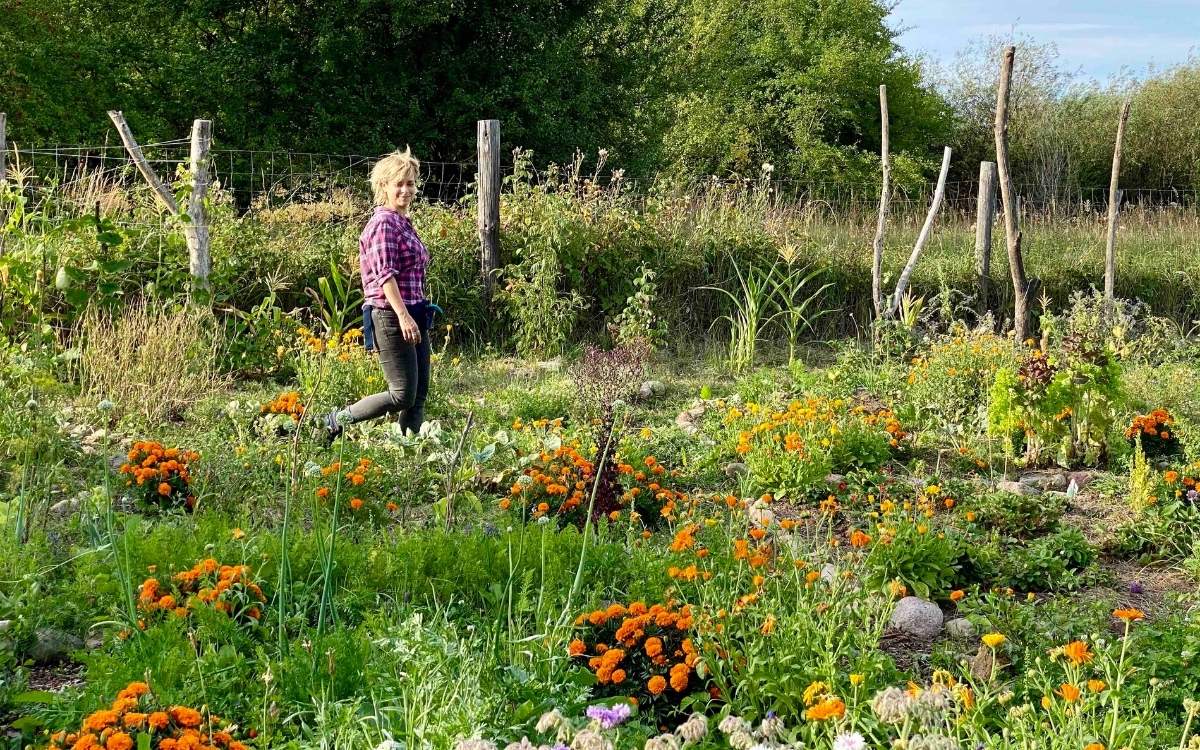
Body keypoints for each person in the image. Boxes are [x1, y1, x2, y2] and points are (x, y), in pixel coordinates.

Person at [325, 147, 431, 439]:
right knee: (402, 394)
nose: (406, 190)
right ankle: (335, 420)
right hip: (391, 313)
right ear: (383, 186)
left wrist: (415, 313)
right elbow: (386, 275)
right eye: (399, 183)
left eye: (410, 183)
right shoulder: (383, 224)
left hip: (415, 310)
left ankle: (409, 451)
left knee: (419, 392)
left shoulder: (402, 222)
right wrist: (404, 316)